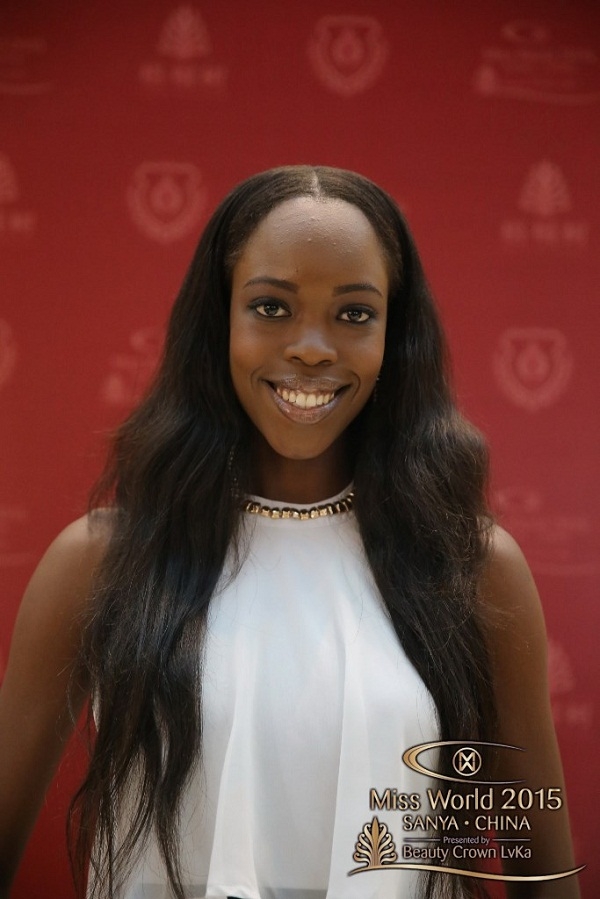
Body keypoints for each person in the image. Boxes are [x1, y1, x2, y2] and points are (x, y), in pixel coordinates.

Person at [0, 166, 581, 899]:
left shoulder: (474, 568)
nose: (311, 347)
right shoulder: (101, 562)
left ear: (395, 337)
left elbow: (542, 875)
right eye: (271, 307)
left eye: (354, 313)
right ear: (220, 323)